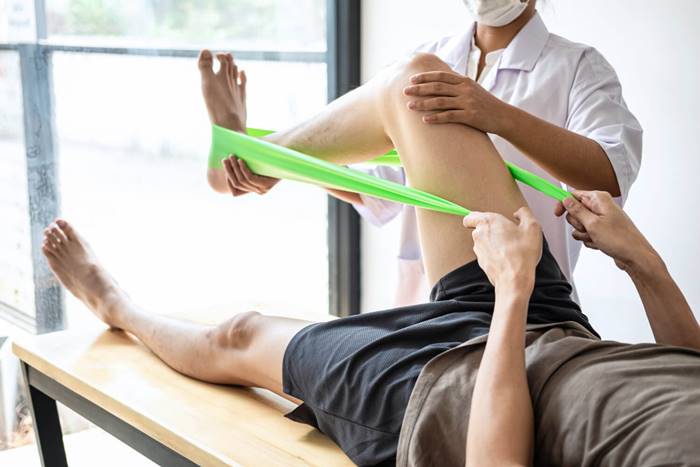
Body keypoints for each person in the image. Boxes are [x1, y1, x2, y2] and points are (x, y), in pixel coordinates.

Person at [40, 50, 699, 466]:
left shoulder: (576, 66)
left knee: (237, 334)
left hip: (457, 395)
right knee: (415, 83)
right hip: (555, 328)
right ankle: (245, 157)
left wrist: (513, 293)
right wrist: (643, 262)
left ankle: (116, 304)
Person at [215, 0, 644, 307]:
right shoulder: (427, 59)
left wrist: (496, 115)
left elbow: (607, 172)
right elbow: (382, 188)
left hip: (523, 299)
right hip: (423, 306)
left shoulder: (577, 66)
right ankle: (261, 153)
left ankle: (256, 149)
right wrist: (286, 171)